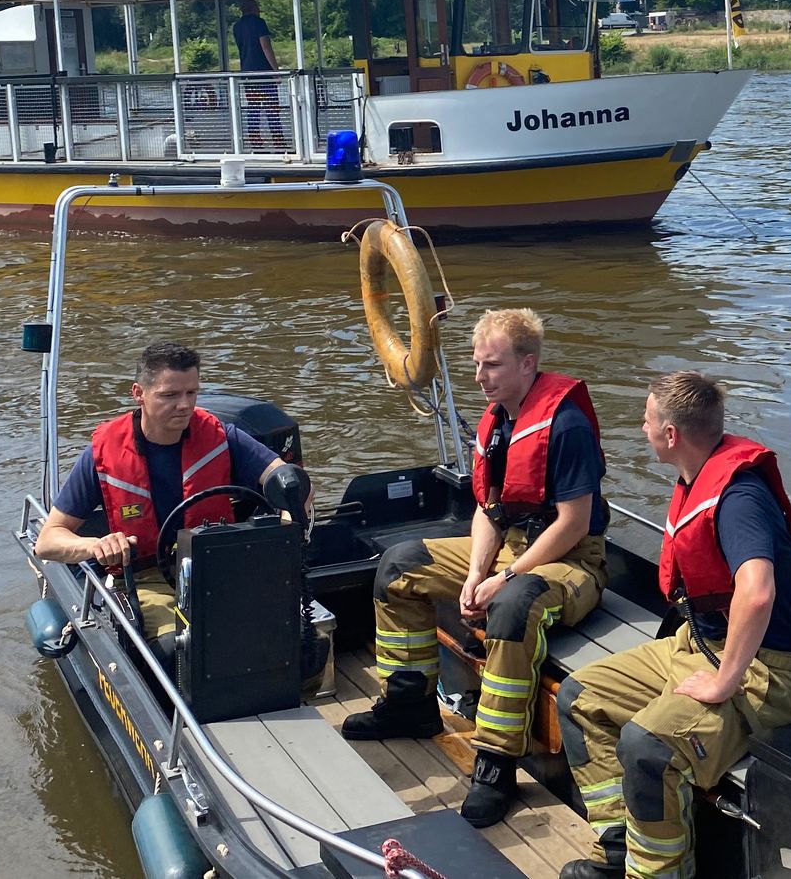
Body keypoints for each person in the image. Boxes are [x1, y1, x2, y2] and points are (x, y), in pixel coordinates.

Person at [342, 308, 611, 829]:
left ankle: (497, 763)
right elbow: (488, 508)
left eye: (491, 365)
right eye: (475, 363)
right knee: (402, 565)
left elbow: (574, 524)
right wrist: (473, 574)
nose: (478, 376)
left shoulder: (567, 426)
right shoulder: (498, 420)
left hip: (569, 561)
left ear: (528, 364)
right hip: (509, 544)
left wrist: (504, 578)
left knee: (513, 609)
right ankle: (408, 703)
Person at [554, 372, 791, 879]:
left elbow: (758, 590)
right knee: (580, 699)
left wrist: (725, 680)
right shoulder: (697, 474)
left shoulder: (739, 498)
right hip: (698, 642)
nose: (642, 428)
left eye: (646, 420)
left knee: (648, 746)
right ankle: (621, 849)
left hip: (763, 673)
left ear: (672, 434)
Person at [33, 342, 309, 647]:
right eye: (170, 395)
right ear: (138, 393)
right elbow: (47, 541)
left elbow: (288, 479)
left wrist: (289, 515)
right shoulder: (102, 454)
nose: (185, 405)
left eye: (191, 393)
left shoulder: (221, 436)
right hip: (146, 577)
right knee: (180, 648)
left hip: (218, 565)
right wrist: (96, 545)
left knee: (283, 634)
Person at [231, 0, 285, 148]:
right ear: (254, 8)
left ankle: (256, 143)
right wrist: (276, 71)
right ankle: (279, 142)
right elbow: (265, 47)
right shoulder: (259, 23)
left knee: (253, 109)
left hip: (247, 74)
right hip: (264, 73)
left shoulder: (237, 26)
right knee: (272, 110)